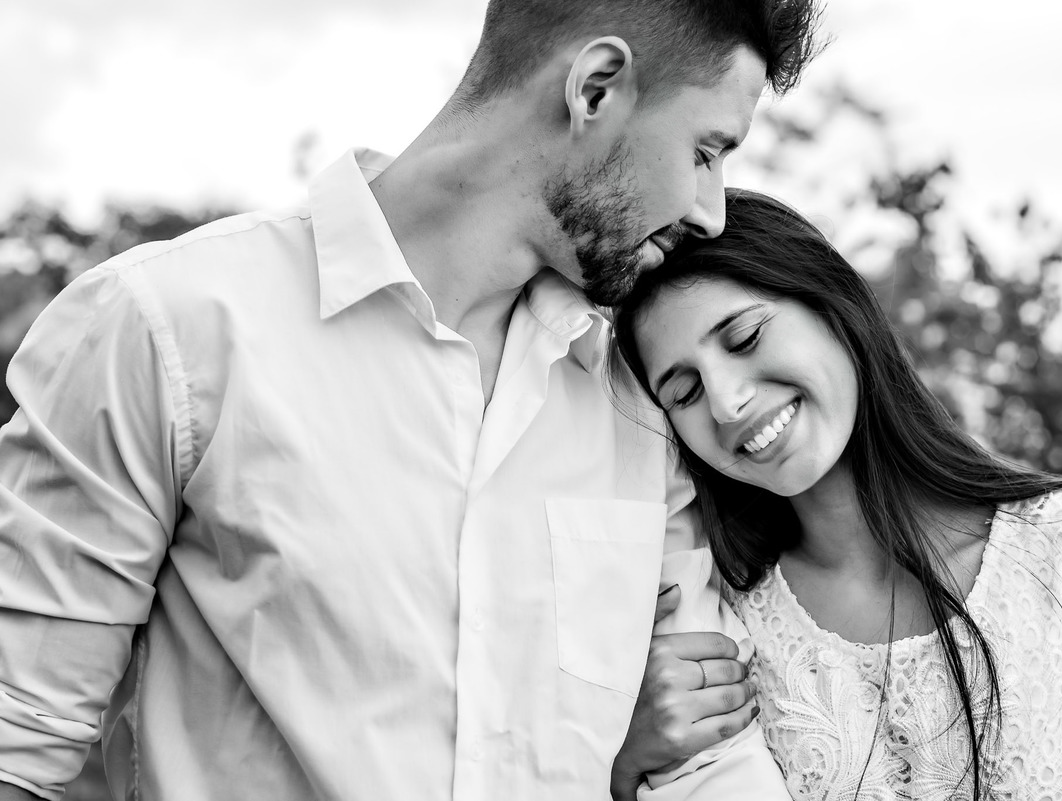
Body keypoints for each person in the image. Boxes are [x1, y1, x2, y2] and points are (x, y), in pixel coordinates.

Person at [0, 3, 827, 799]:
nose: (711, 212)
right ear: (596, 88)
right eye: (706, 151)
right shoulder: (165, 329)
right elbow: (18, 746)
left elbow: (705, 764)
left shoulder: (638, 399)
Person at [610, 189, 1062, 799]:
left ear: (834, 305)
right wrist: (623, 768)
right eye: (684, 392)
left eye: (745, 338)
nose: (727, 402)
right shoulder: (716, 615)